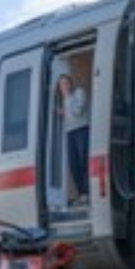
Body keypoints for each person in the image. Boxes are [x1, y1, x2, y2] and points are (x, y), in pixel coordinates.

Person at [57, 73, 90, 204]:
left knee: (83, 162)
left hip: (81, 130)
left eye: (66, 83)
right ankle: (82, 193)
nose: (64, 86)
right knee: (73, 165)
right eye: (61, 85)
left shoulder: (78, 93)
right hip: (69, 133)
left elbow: (78, 111)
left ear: (70, 83)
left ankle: (88, 192)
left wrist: (68, 99)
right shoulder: (62, 101)